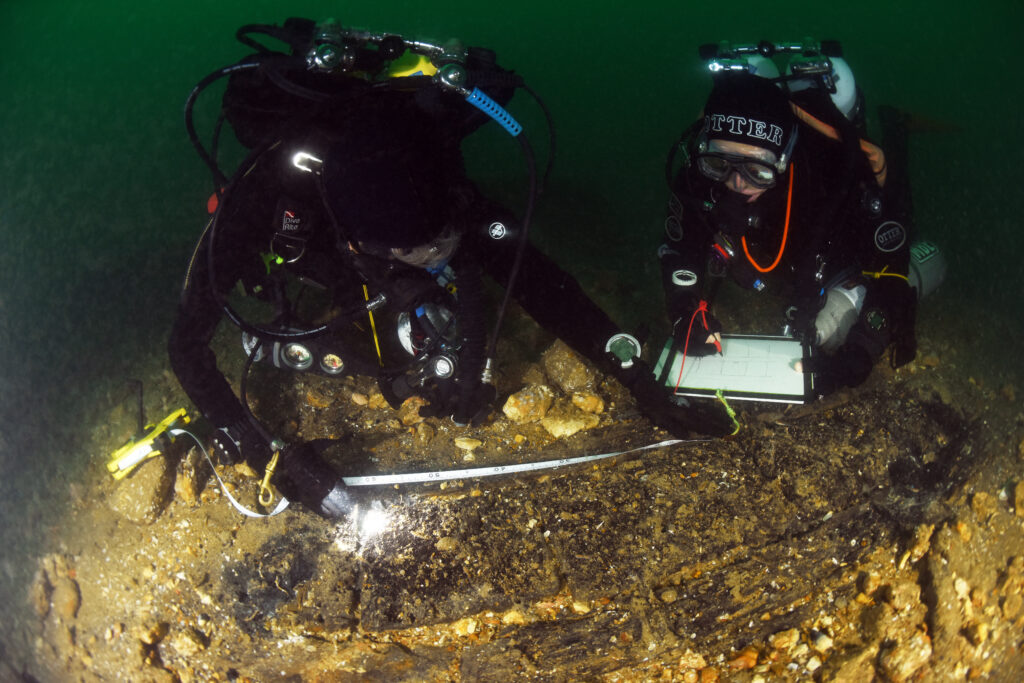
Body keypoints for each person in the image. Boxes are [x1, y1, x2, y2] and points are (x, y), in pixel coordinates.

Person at [169, 19, 731, 519]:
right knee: (376, 351)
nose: (434, 259)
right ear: (356, 237)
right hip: (322, 241)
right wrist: (259, 451)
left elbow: (547, 288)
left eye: (440, 243)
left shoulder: (445, 185)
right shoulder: (263, 197)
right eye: (412, 252)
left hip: (398, 218)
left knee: (445, 290)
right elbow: (186, 347)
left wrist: (639, 382)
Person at [658, 49, 917, 399]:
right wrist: (684, 310)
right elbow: (679, 245)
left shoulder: (829, 176)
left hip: (825, 250)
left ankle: (898, 128)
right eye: (720, 165)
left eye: (757, 170)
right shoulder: (699, 173)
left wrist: (860, 351)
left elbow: (890, 270)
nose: (737, 183)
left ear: (783, 160)